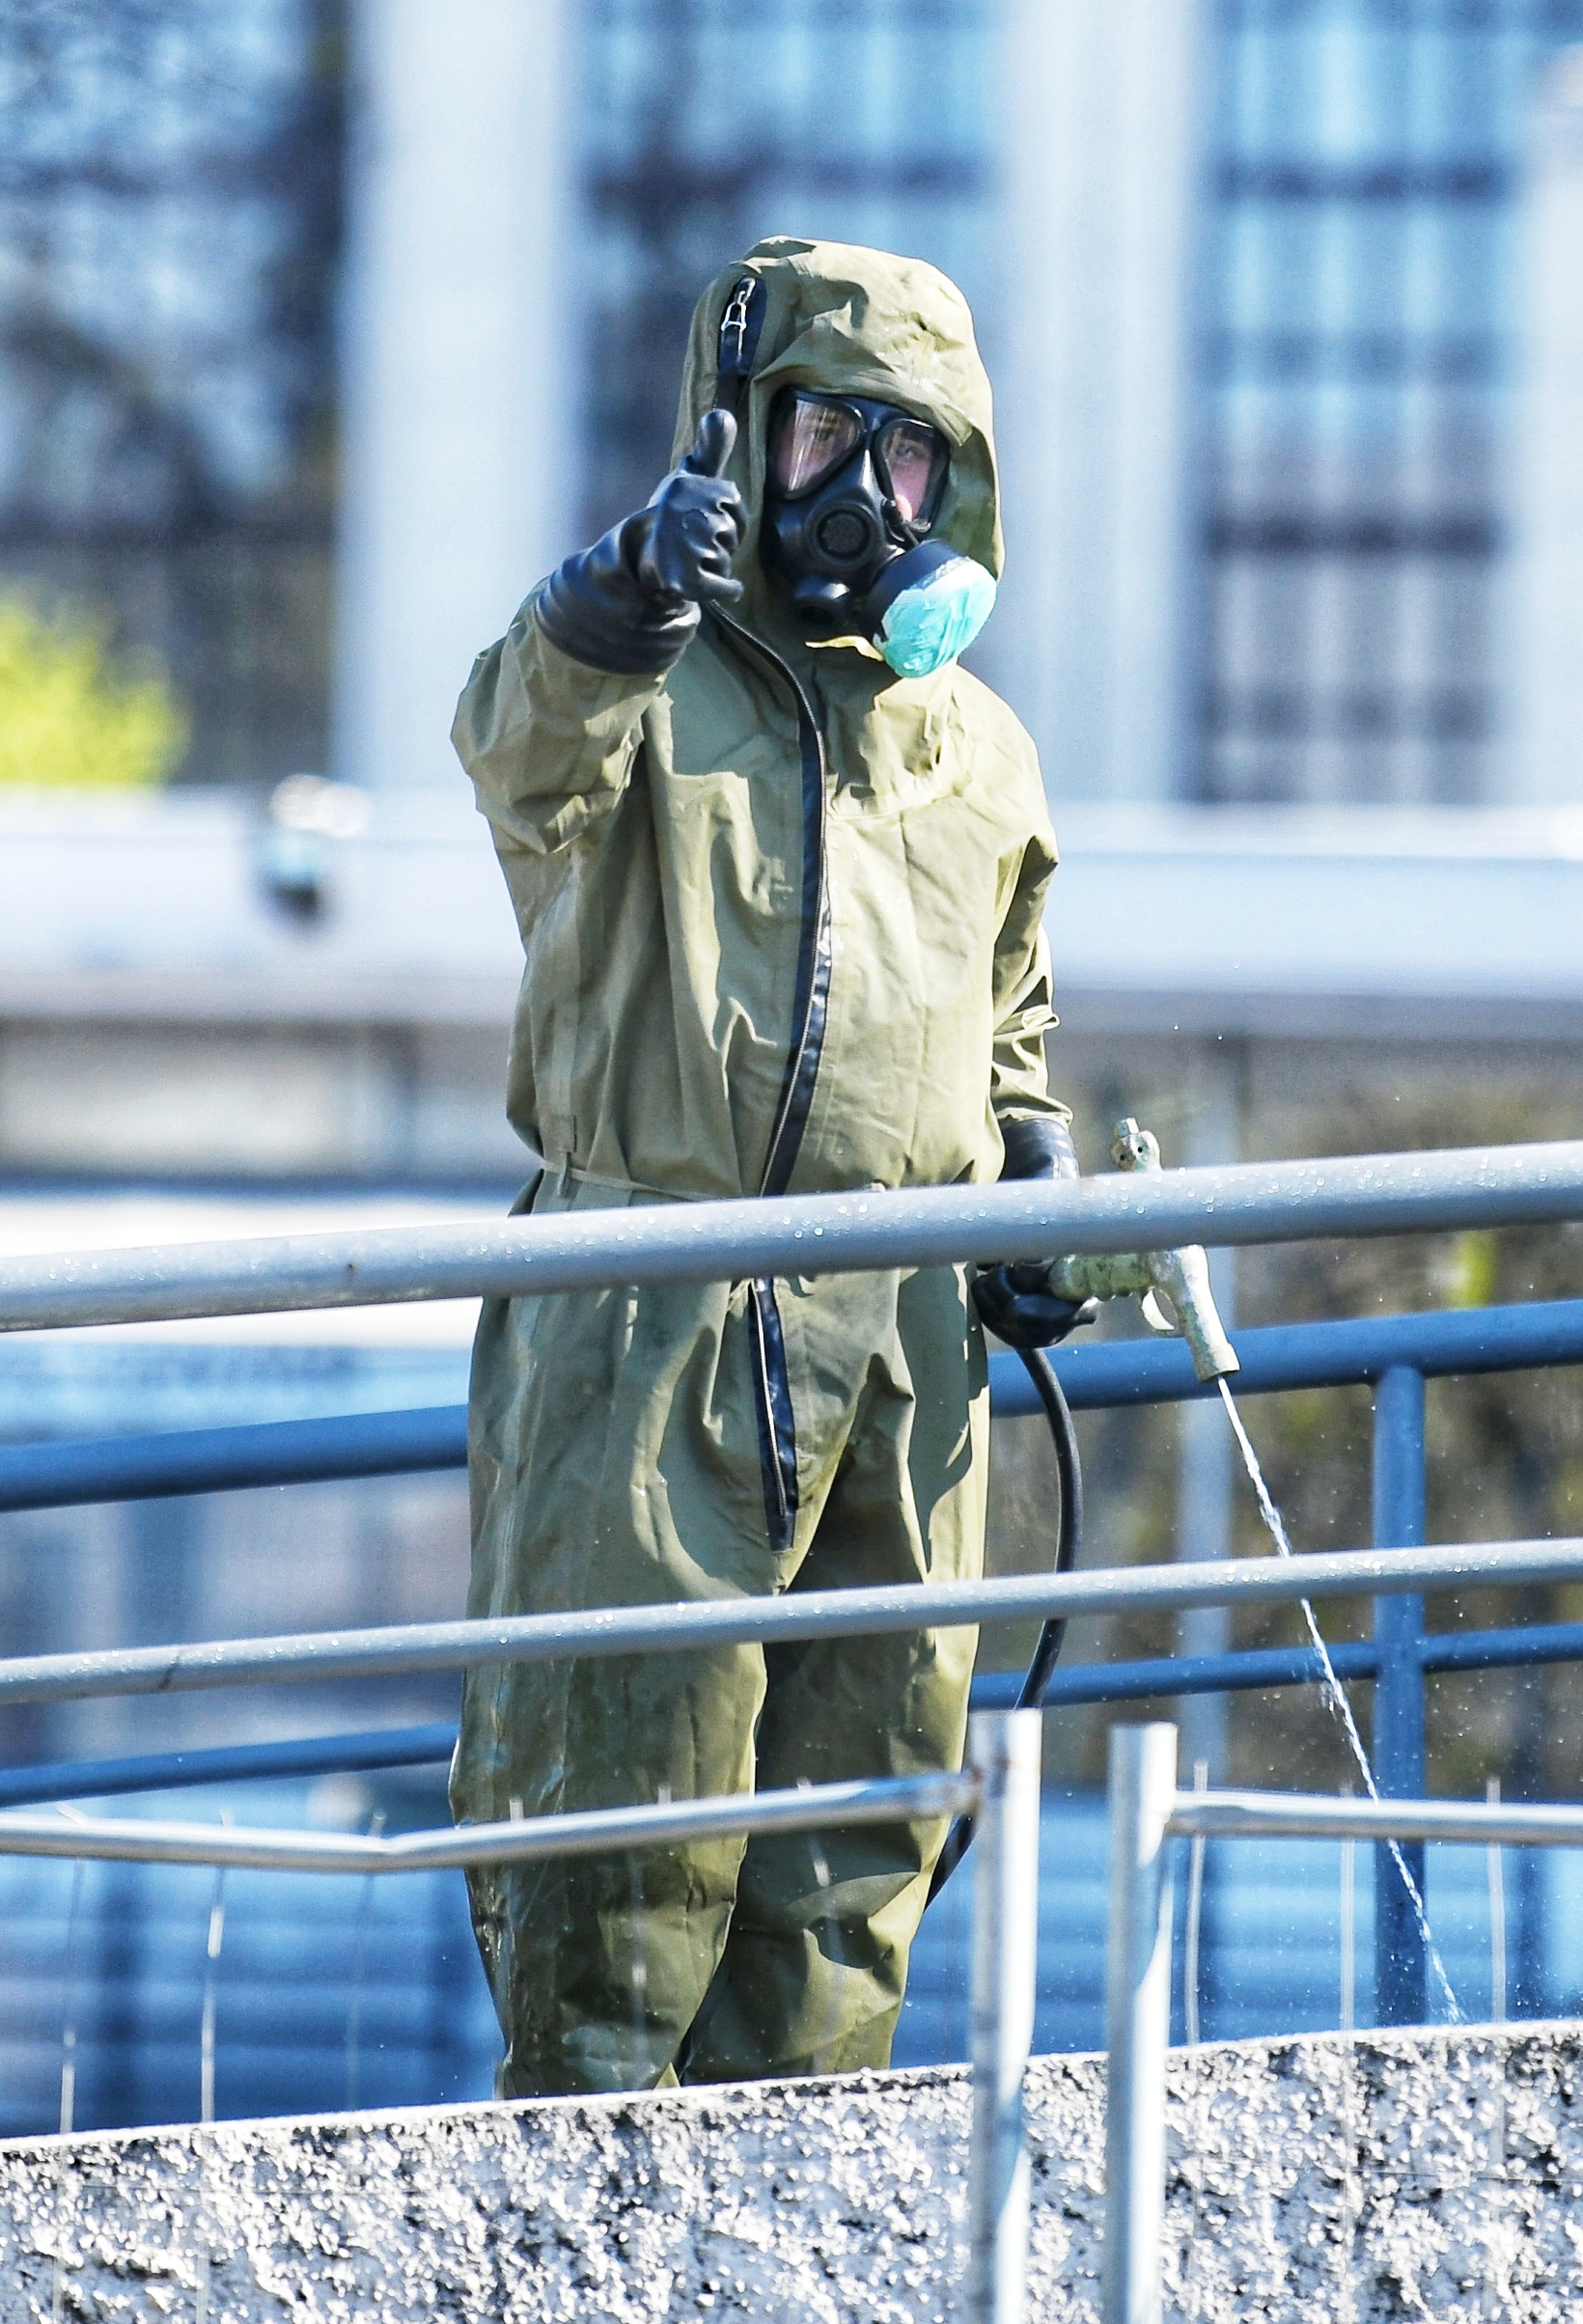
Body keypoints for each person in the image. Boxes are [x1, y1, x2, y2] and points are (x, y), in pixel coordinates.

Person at [448, 236, 1094, 2096]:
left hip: (905, 1356)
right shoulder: (633, 686)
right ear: (737, 436)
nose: (869, 497)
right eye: (828, 437)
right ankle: (579, 2245)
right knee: (614, 1843)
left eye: (912, 458)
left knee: (854, 1858)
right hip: (646, 1329)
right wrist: (617, 598)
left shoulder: (978, 752)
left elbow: (1008, 1015)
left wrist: (1035, 1168)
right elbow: (513, 755)